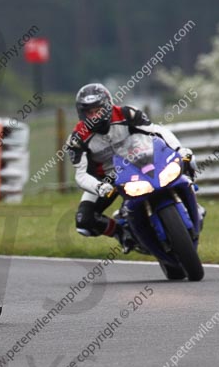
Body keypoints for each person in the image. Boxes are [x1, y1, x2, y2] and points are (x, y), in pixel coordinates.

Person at [64, 83, 196, 252]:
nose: (95, 116)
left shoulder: (127, 113)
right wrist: (98, 186)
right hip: (107, 178)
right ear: (81, 113)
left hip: (141, 161)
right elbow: (81, 174)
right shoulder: (77, 139)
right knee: (83, 222)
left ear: (108, 106)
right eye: (89, 112)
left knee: (187, 160)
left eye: (98, 110)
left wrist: (179, 150)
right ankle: (122, 233)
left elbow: (157, 131)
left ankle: (192, 198)